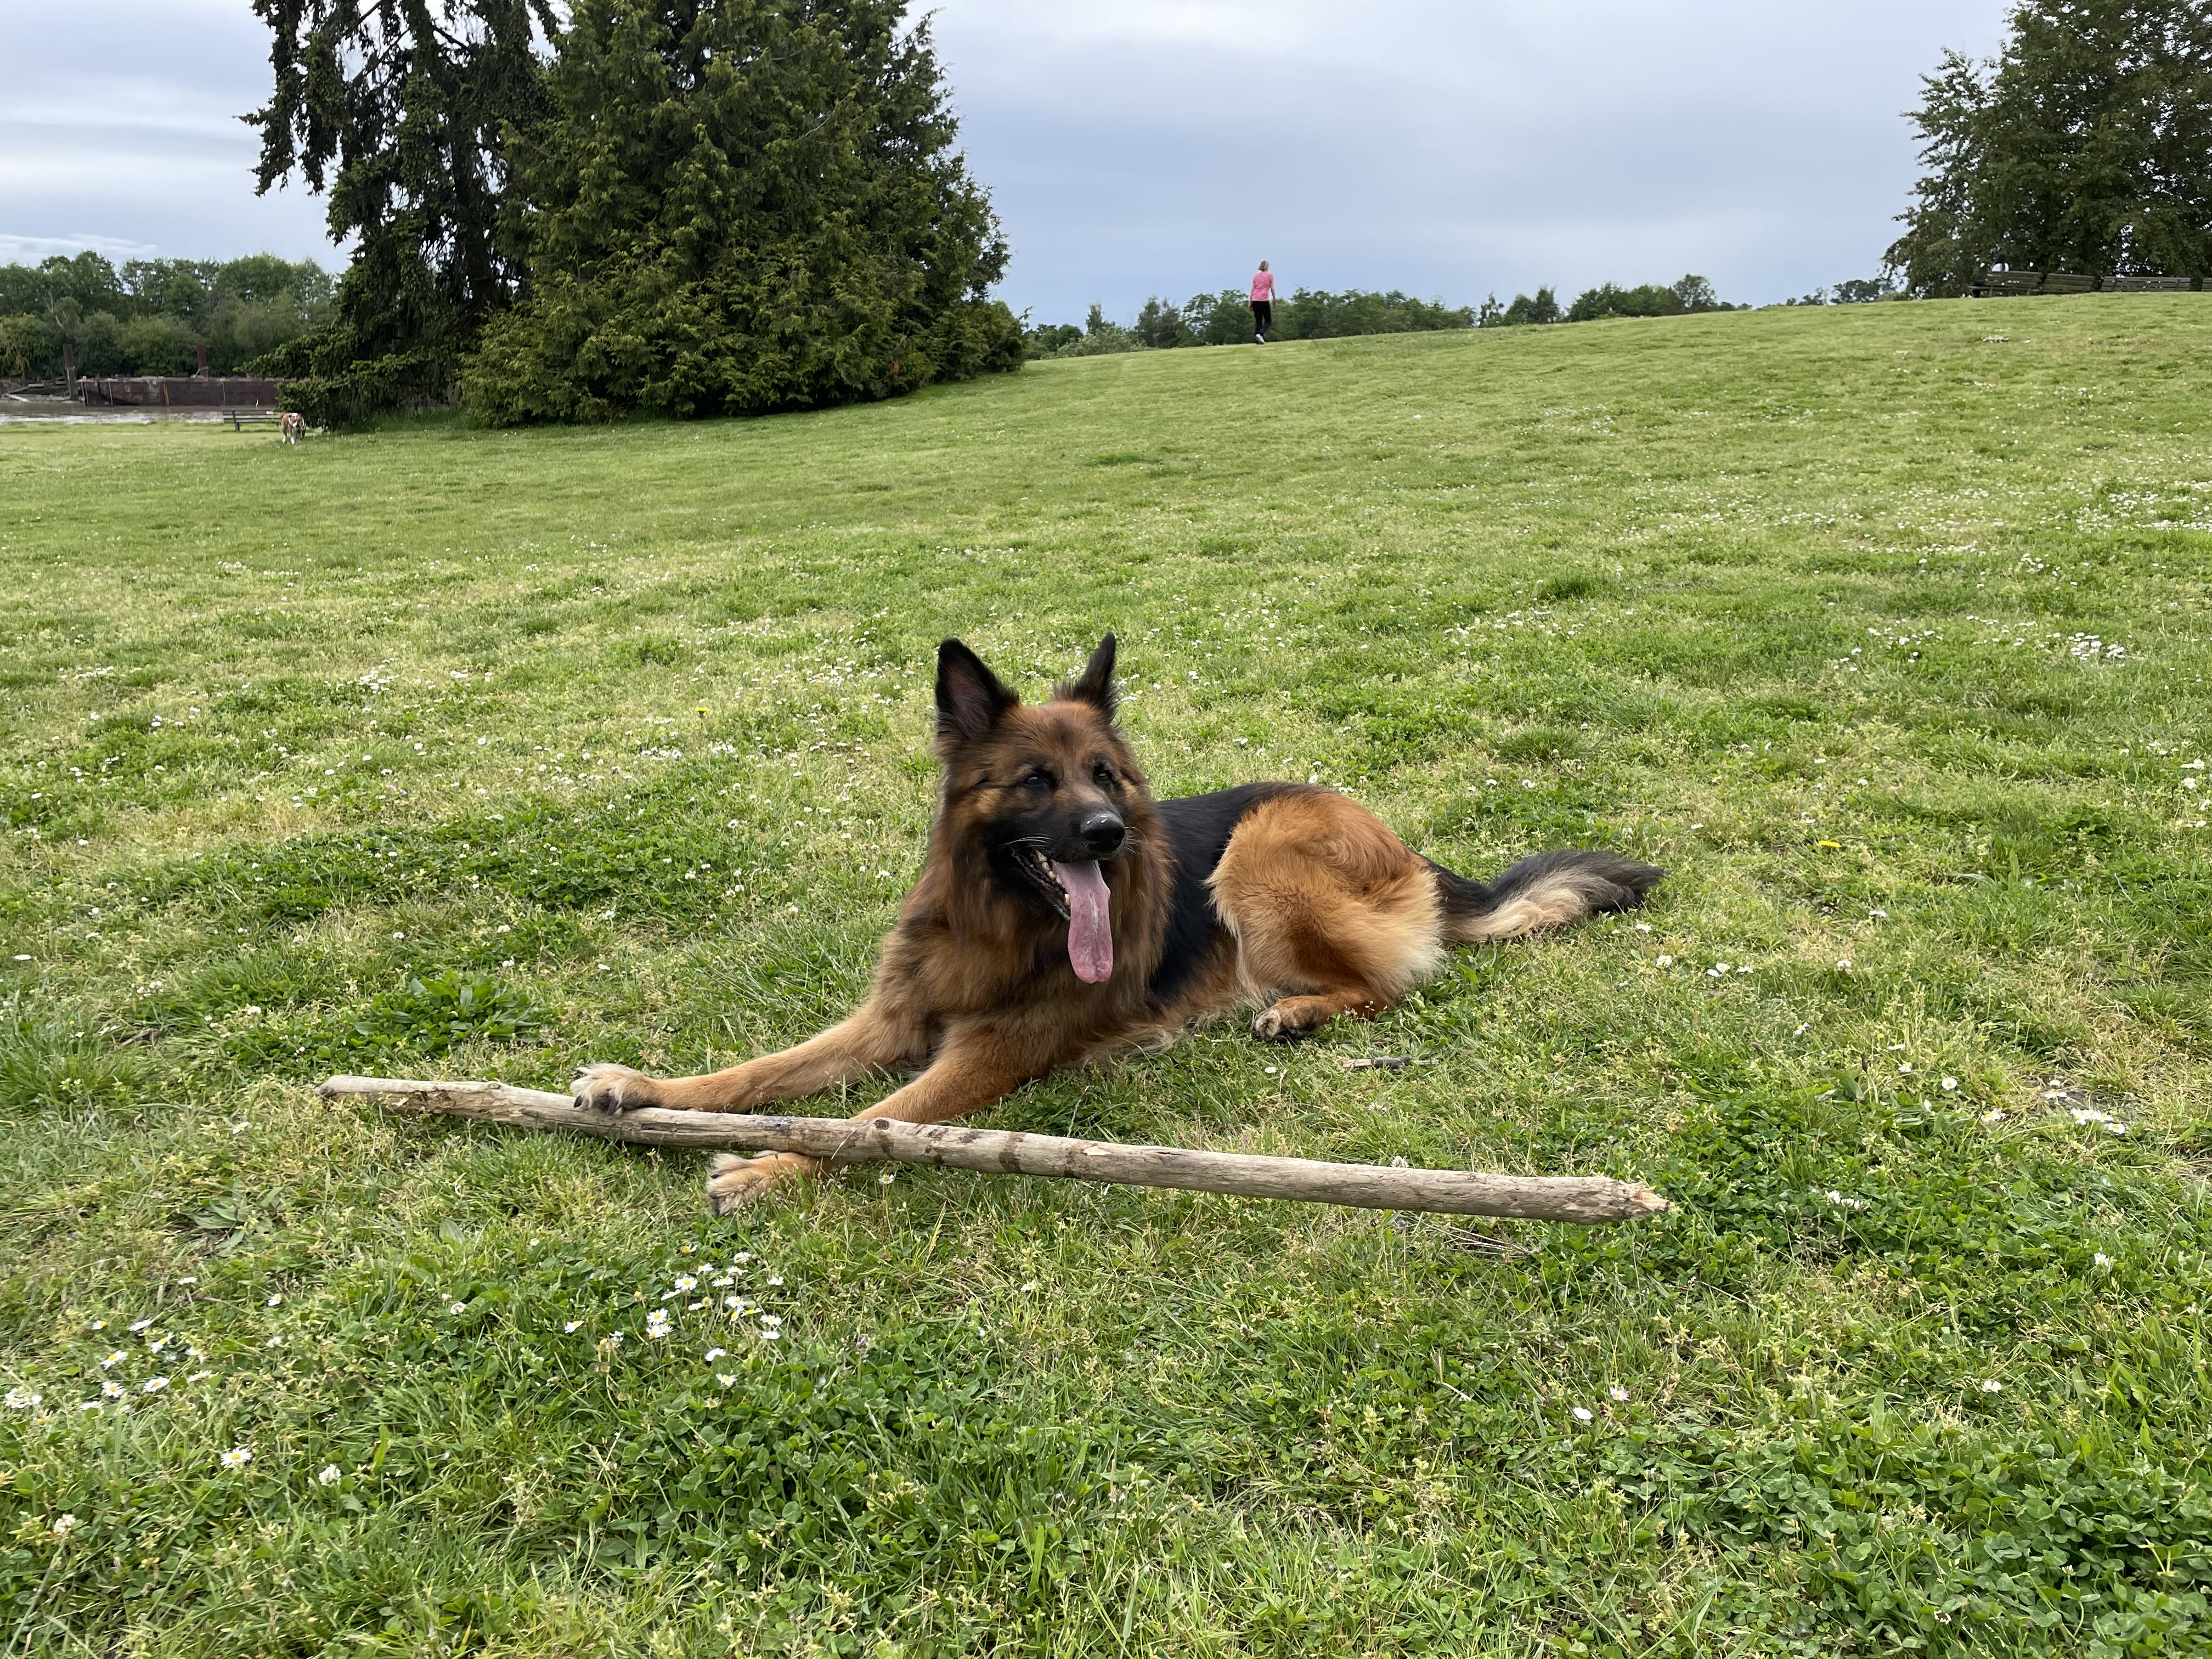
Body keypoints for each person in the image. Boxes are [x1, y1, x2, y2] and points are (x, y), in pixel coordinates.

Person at [1250, 261, 1275, 343]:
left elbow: (1252, 290)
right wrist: (1274, 300)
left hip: (1255, 300)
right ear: (1268, 267)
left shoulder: (1256, 277)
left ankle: (1258, 339)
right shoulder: (1270, 276)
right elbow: (1272, 289)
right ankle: (1260, 334)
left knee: (1258, 321)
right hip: (1264, 300)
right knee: (1268, 321)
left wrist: (1250, 302)